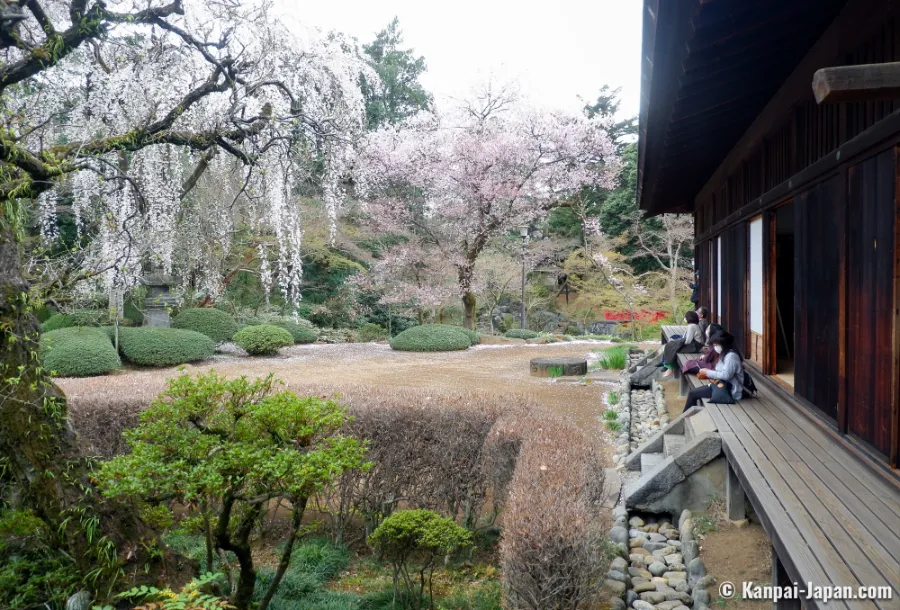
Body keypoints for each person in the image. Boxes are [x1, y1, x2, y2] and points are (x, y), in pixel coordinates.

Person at [683, 332, 745, 411]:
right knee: (693, 392)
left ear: (724, 344)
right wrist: (712, 376)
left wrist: (707, 372)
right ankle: (687, 415)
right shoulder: (725, 354)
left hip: (730, 391)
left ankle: (685, 417)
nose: (715, 347)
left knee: (693, 393)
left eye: (716, 345)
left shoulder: (731, 356)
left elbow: (726, 375)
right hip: (721, 385)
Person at [661, 311, 705, 378]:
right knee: (670, 345)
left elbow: (688, 340)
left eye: (686, 317)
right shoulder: (693, 325)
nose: (685, 318)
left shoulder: (692, 326)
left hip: (695, 346)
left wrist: (678, 343)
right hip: (694, 344)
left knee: (674, 348)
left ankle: (670, 368)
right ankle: (667, 366)